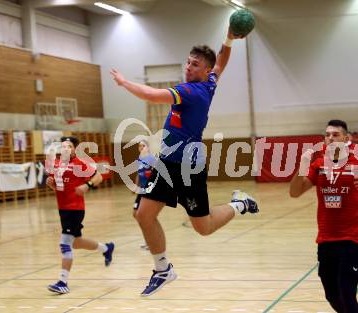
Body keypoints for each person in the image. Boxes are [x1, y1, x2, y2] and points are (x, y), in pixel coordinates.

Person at [111, 27, 259, 296]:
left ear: (204, 71)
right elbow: (222, 62)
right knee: (143, 214)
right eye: (188, 62)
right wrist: (228, 38)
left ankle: (240, 203)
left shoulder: (192, 92)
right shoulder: (210, 81)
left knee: (203, 228)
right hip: (167, 163)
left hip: (189, 169)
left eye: (195, 65)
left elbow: (151, 96)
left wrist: (125, 83)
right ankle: (163, 269)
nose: (189, 67)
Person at [290, 120, 358, 313]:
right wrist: (302, 167)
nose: (330, 138)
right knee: (331, 294)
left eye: (335, 134)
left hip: (351, 238)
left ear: (347, 138)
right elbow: (295, 193)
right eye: (327, 135)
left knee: (346, 292)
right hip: (326, 238)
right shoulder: (319, 164)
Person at [46, 136, 115, 294]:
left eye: (68, 146)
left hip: (75, 209)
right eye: (63, 146)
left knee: (65, 243)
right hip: (62, 209)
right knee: (76, 242)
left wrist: (87, 185)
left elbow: (98, 177)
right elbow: (59, 188)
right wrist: (52, 185)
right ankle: (106, 248)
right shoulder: (57, 165)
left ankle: (63, 282)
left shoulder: (80, 164)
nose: (65, 149)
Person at [133, 140, 156, 250]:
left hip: (149, 190)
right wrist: (135, 186)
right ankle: (148, 239)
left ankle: (151, 241)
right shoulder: (139, 159)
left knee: (145, 216)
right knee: (135, 214)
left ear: (148, 147)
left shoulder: (151, 159)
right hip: (141, 190)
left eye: (143, 145)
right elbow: (139, 174)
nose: (141, 148)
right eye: (140, 146)